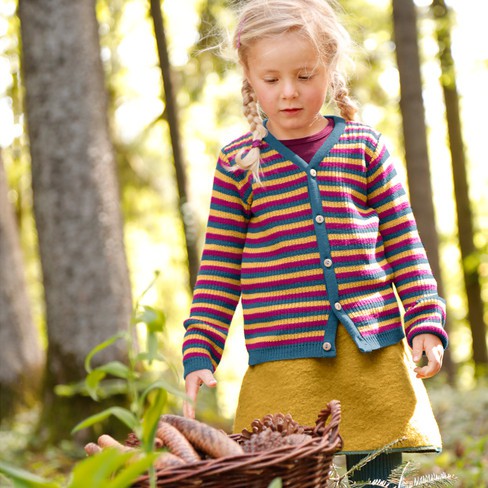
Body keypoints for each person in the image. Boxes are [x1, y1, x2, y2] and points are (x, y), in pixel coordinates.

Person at [181, 0, 448, 483]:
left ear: (329, 67)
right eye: (271, 79)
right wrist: (200, 348)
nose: (289, 93)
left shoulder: (363, 147)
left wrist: (425, 319)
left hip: (371, 352)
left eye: (305, 76)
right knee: (291, 472)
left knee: (377, 471)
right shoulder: (240, 164)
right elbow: (219, 269)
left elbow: (404, 242)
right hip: (284, 354)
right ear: (248, 74)